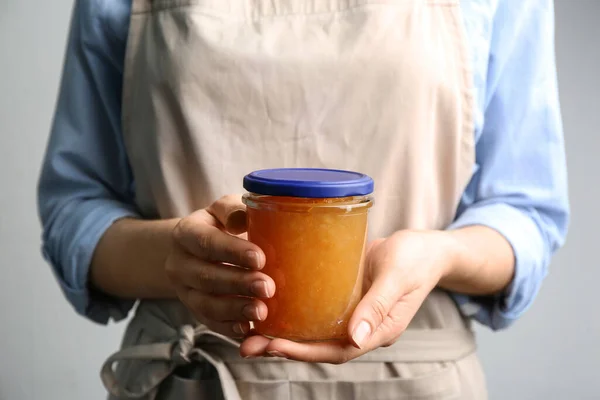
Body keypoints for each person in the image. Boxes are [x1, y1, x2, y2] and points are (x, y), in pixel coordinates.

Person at [37, 0, 569, 398]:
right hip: (192, 377)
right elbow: (75, 209)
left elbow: (525, 212)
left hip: (414, 382)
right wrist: (173, 256)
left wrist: (438, 254)